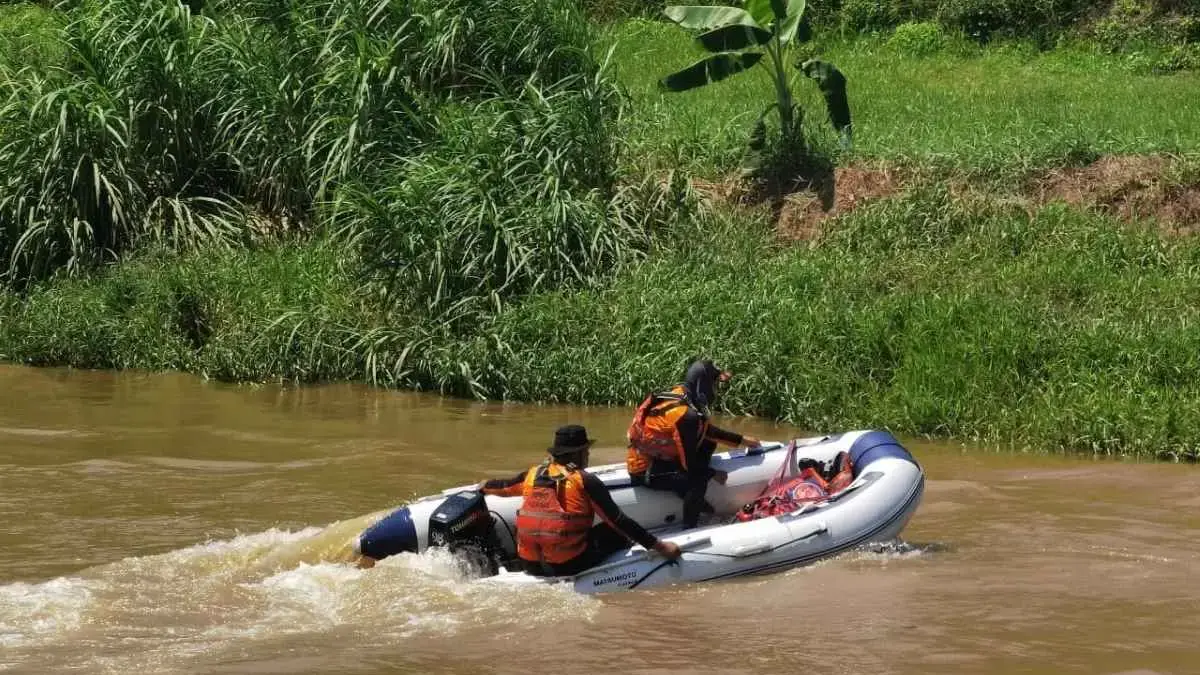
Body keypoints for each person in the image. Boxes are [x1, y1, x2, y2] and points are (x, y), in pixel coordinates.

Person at [479, 424, 682, 577]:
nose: (588, 454)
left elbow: (504, 486)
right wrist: (660, 547)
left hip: (529, 564)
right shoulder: (584, 481)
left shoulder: (532, 475)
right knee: (613, 533)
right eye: (586, 450)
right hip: (567, 565)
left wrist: (484, 486)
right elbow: (618, 520)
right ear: (577, 453)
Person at [626, 359, 762, 528]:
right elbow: (689, 466)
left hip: (659, 457)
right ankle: (690, 527)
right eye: (714, 384)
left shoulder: (681, 393)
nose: (715, 389)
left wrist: (741, 440)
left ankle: (691, 496)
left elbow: (706, 431)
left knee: (708, 444)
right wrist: (712, 473)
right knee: (697, 479)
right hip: (645, 470)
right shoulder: (685, 416)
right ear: (703, 384)